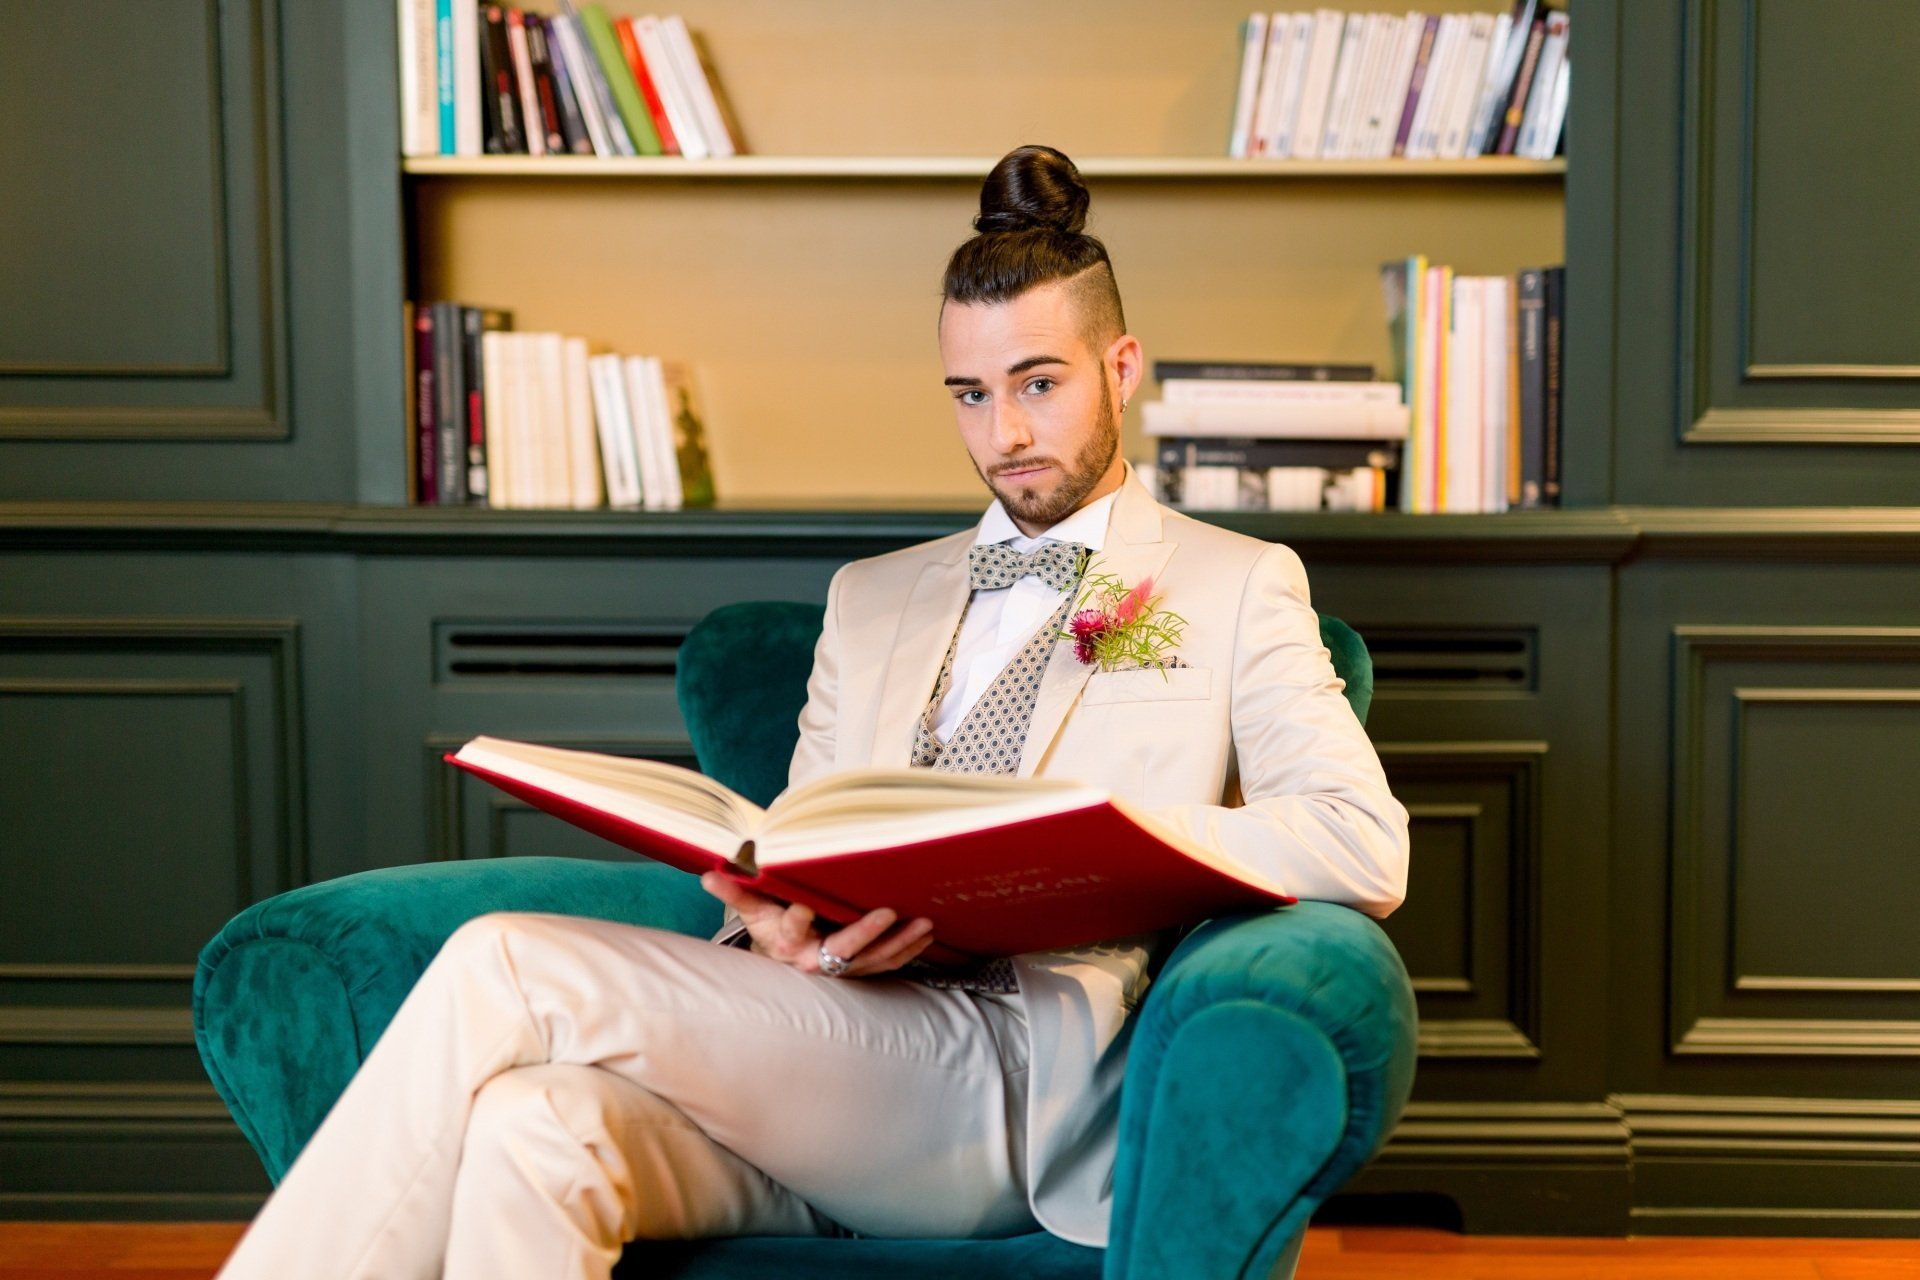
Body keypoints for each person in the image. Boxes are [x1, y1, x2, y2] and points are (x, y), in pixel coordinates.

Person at [211, 143, 1409, 1280]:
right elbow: (801, 838)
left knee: (504, 961)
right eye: (971, 394)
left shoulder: (1237, 582)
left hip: (1003, 1087)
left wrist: (1117, 838)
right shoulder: (871, 599)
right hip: (820, 1042)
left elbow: (1362, 838)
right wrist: (775, 932)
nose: (1006, 433)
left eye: (1038, 384)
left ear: (1121, 366)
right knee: (537, 1125)